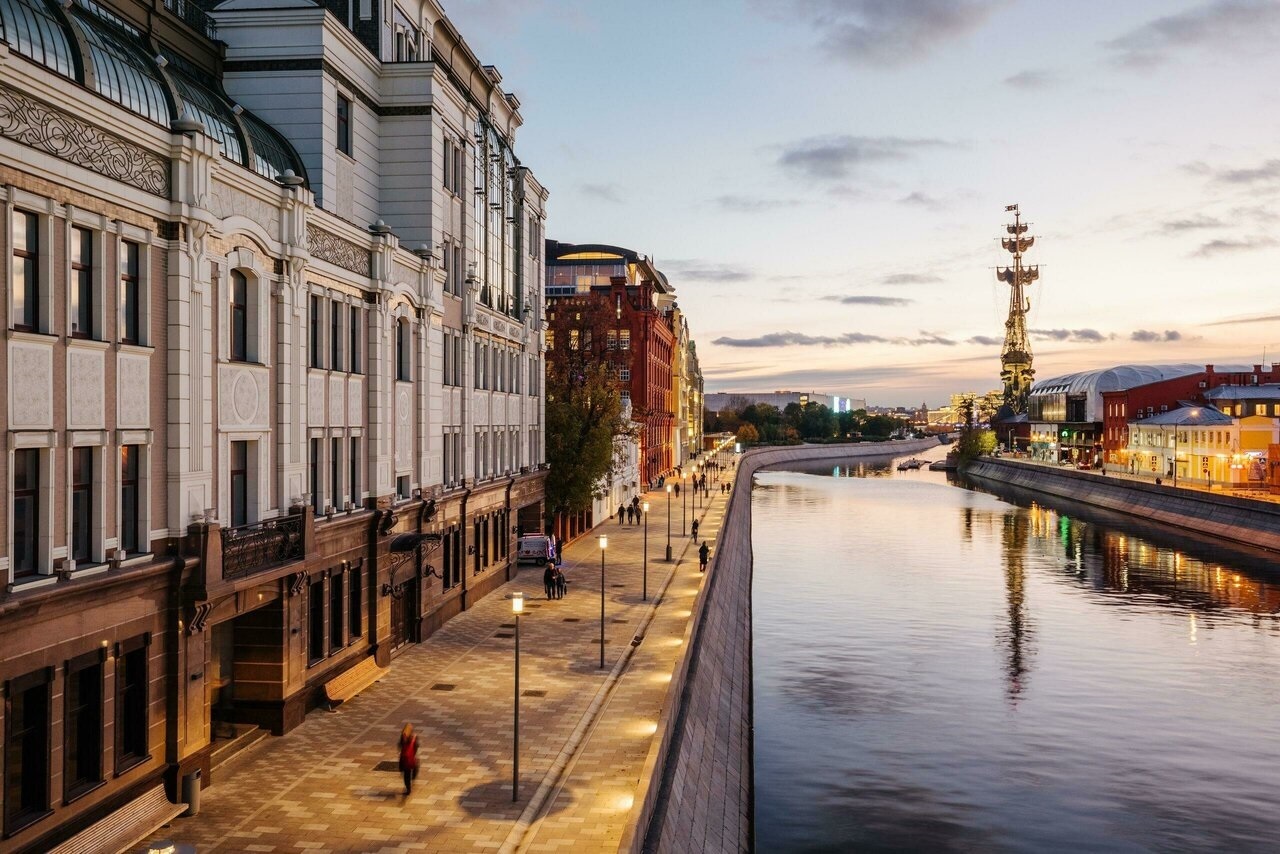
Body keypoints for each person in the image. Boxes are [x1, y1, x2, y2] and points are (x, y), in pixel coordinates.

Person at [398, 723, 419, 795]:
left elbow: (400, 746)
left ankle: (408, 788)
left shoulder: (403, 737)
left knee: (406, 774)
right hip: (411, 758)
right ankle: (413, 777)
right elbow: (416, 746)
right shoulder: (414, 737)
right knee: (414, 767)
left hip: (404, 758)